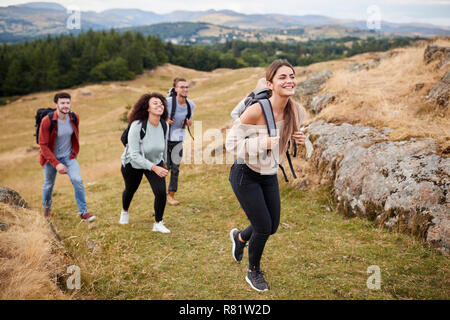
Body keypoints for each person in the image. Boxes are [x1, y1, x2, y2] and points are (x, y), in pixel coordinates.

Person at [226, 59, 307, 291]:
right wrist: (260, 143)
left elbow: (287, 138)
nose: (289, 80)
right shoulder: (257, 110)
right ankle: (253, 272)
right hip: (245, 174)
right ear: (270, 84)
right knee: (262, 227)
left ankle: (240, 238)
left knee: (271, 226)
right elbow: (231, 144)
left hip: (269, 173)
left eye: (291, 76)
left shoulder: (296, 111)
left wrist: (300, 139)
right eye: (282, 77)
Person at [39, 92, 96, 222]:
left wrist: (73, 153)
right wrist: (56, 163)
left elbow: (74, 136)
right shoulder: (47, 121)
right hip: (50, 159)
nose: (66, 106)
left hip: (68, 157)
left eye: (67, 103)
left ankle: (83, 212)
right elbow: (42, 145)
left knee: (78, 181)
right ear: (56, 104)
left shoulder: (74, 117)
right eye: (62, 103)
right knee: (48, 185)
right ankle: (47, 210)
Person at [119, 93, 171, 233]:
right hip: (133, 163)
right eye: (155, 103)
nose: (159, 105)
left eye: (161, 103)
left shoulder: (164, 124)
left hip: (155, 161)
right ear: (147, 108)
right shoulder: (137, 125)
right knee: (130, 189)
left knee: (160, 192)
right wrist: (154, 168)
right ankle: (125, 211)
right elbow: (134, 154)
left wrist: (164, 162)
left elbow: (164, 145)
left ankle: (158, 222)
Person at [166, 77, 196, 206]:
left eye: (186, 87)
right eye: (182, 87)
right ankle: (160, 194)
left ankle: (171, 195)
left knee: (176, 169)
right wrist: (165, 121)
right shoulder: (167, 102)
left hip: (178, 140)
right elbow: (156, 118)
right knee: (164, 168)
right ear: (175, 89)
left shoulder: (191, 105)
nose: (185, 89)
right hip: (164, 140)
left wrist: (188, 123)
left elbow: (188, 120)